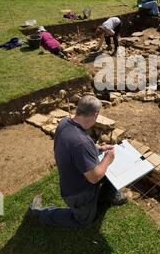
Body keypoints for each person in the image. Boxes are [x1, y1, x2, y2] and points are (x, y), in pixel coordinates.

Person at [28, 95, 128, 228]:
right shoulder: (81, 143)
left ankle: (107, 195)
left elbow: (77, 149)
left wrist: (99, 149)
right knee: (85, 221)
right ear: (95, 114)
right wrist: (107, 158)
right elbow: (94, 177)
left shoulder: (65, 122)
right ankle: (39, 213)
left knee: (110, 165)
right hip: (77, 192)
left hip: (75, 177)